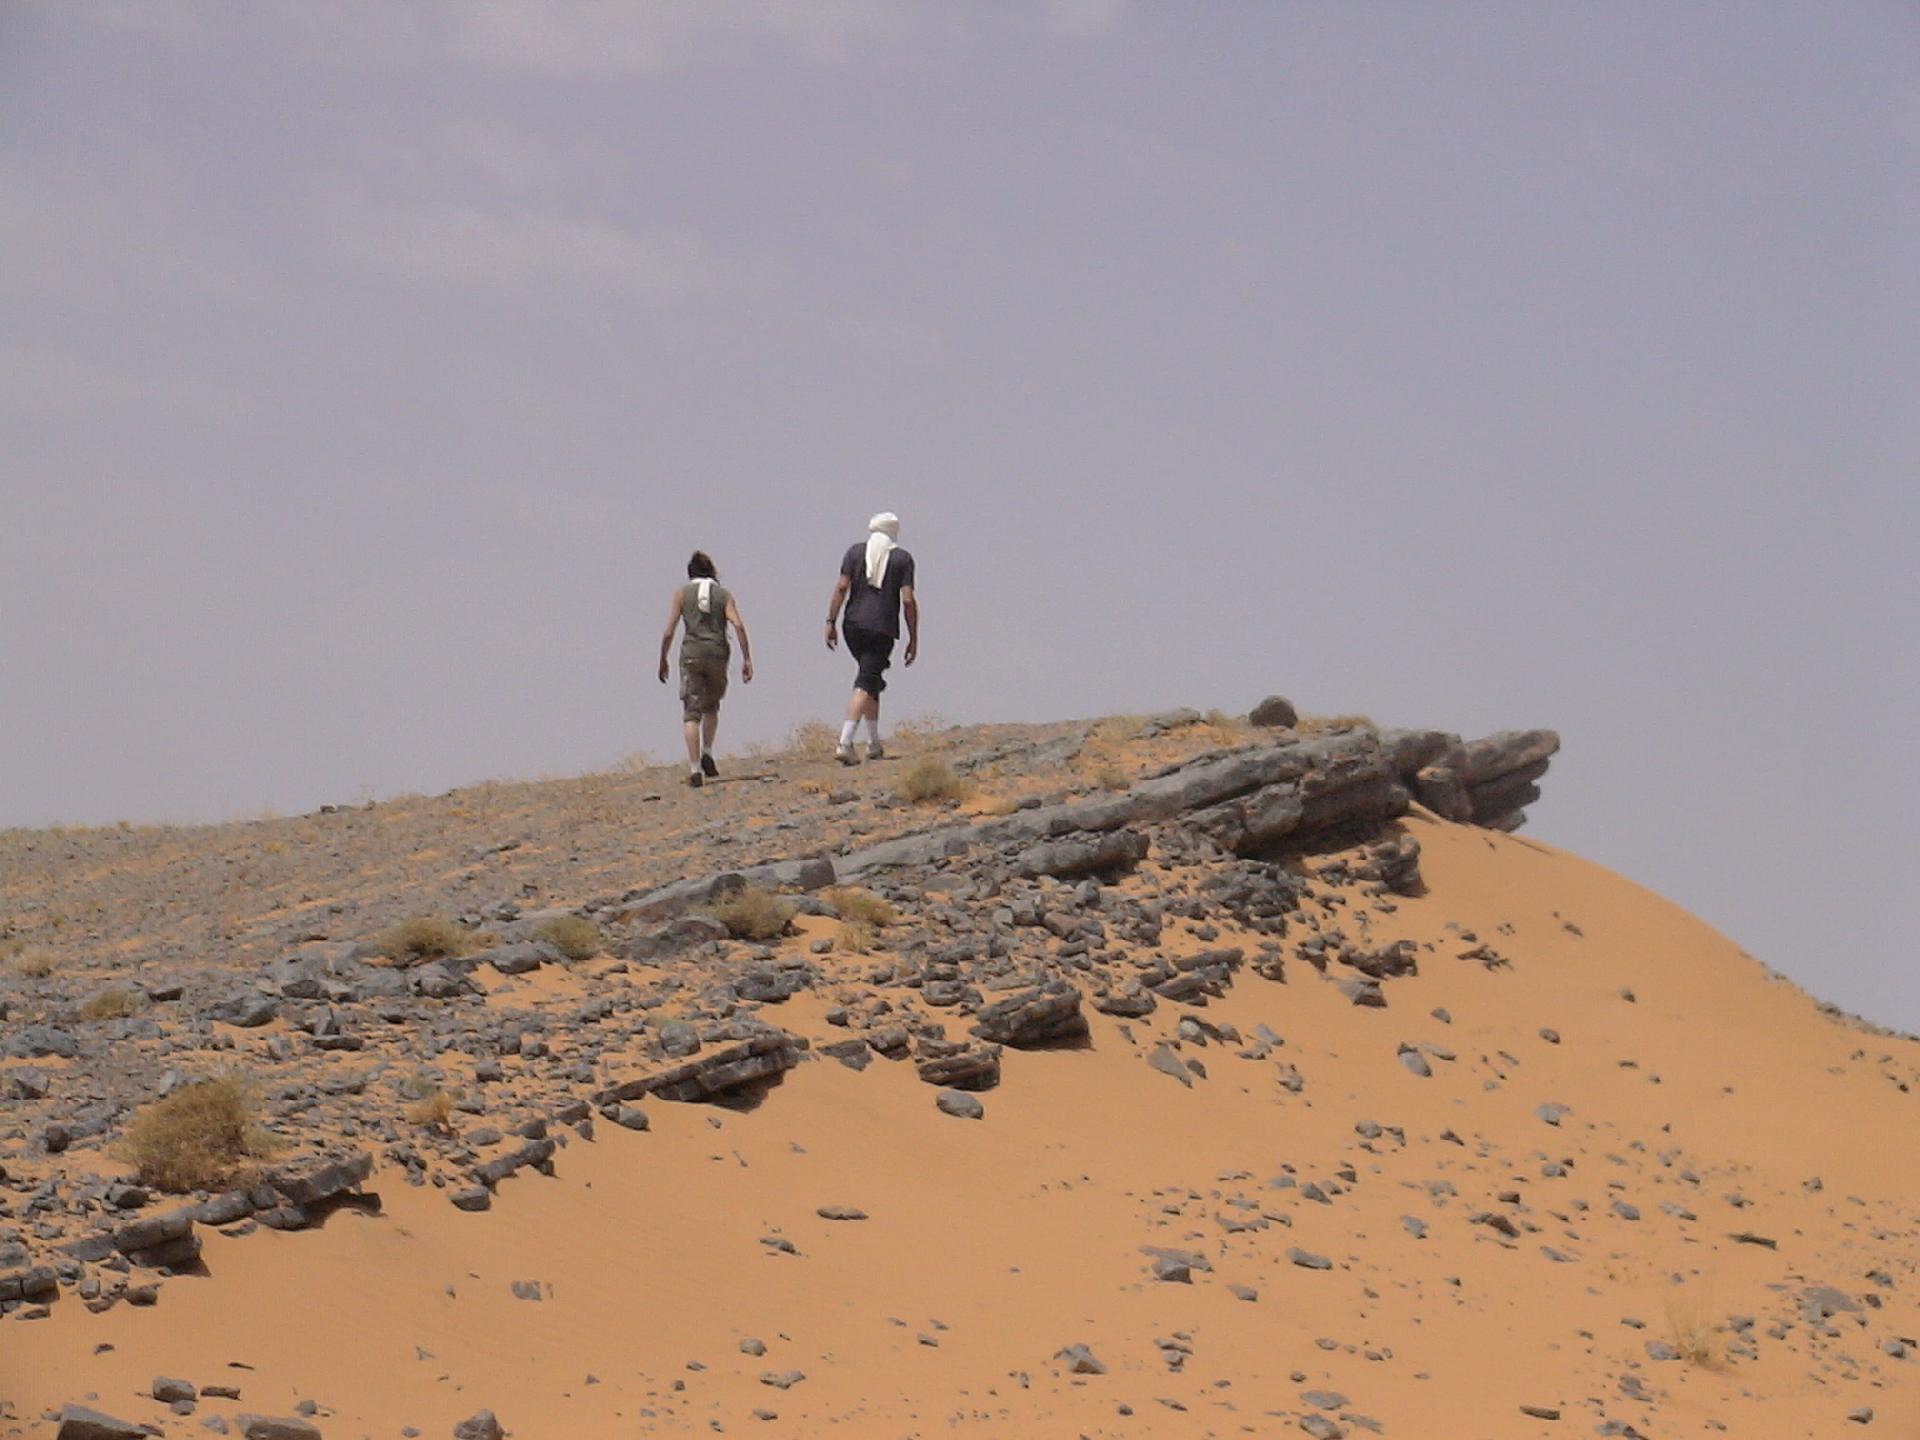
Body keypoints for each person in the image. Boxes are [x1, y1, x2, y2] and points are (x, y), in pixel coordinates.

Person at [824, 512, 917, 765]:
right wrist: (913, 637)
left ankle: (874, 742)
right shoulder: (902, 559)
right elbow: (908, 600)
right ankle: (845, 742)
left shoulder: (855, 553)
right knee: (865, 682)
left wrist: (831, 621)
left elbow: (842, 587)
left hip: (852, 625)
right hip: (881, 628)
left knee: (871, 677)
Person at [658, 551, 752, 787]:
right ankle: (707, 751)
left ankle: (694, 769)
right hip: (718, 654)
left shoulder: (682, 594)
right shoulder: (724, 595)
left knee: (691, 713)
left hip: (691, 654)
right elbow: (738, 625)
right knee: (711, 706)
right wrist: (747, 659)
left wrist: (663, 659)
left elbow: (669, 631)